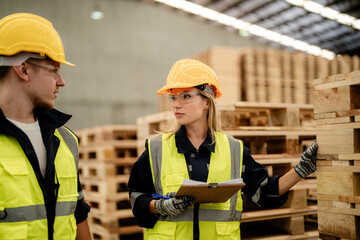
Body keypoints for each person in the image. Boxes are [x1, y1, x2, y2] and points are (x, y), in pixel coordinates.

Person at [128, 59, 317, 240]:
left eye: (186, 96)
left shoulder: (234, 150)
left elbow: (264, 192)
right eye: (173, 97)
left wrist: (300, 170)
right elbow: (137, 197)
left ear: (207, 102)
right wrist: (160, 206)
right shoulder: (157, 149)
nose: (176, 104)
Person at [0, 13, 91, 240]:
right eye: (54, 71)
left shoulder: (66, 140)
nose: (61, 82)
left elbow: (77, 212)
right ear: (23, 69)